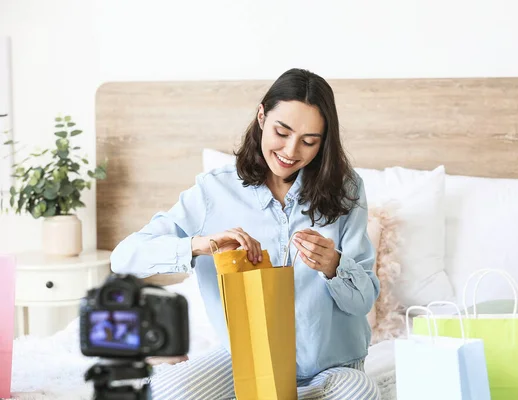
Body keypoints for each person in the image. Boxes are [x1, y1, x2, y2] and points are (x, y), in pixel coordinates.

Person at [110, 68, 381, 399]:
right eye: (282, 132)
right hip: (244, 362)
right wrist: (200, 245)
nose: (291, 151)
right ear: (262, 116)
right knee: (168, 391)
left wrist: (334, 266)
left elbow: (363, 299)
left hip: (330, 365)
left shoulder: (346, 190)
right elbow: (124, 258)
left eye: (309, 141)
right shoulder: (214, 190)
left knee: (361, 393)